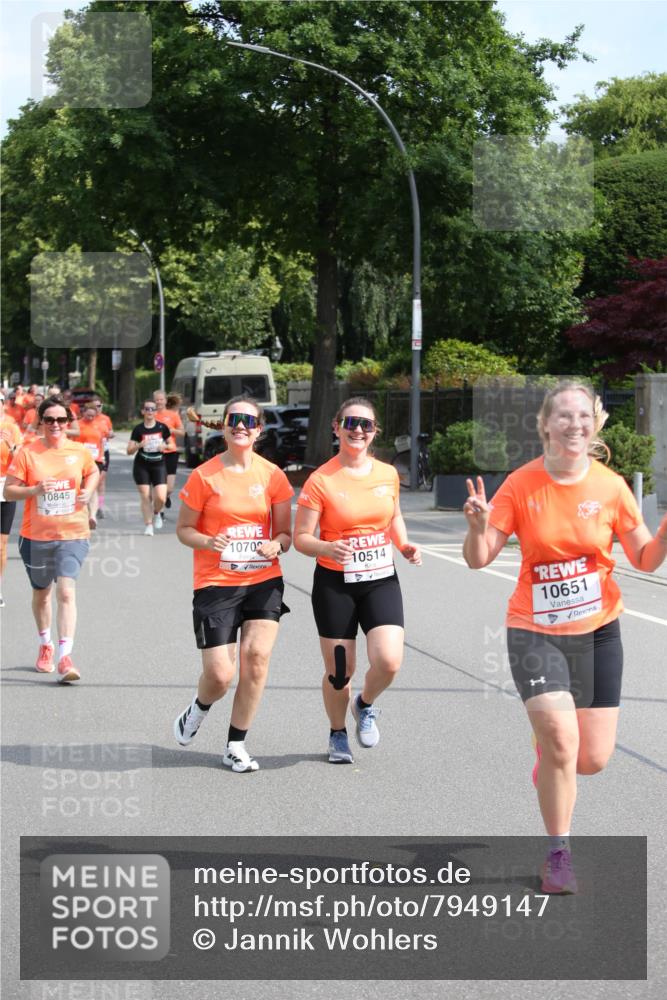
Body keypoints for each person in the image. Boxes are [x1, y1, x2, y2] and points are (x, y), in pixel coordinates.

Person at [462, 380, 667, 894]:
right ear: (545, 425)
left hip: (598, 631)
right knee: (561, 740)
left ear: (595, 423)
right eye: (564, 417)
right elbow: (479, 558)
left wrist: (664, 532)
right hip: (534, 631)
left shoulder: (612, 486)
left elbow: (643, 558)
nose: (574, 425)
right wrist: (476, 526)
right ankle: (559, 854)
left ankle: (550, 762)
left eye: (583, 417)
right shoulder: (522, 484)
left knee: (590, 759)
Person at [294, 397, 422, 764]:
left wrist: (405, 544)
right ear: (336, 427)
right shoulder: (321, 480)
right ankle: (337, 734)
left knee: (389, 661)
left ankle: (364, 704)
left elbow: (393, 516)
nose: (358, 430)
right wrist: (327, 547)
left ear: (374, 432)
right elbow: (301, 537)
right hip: (335, 583)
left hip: (380, 578)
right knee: (339, 671)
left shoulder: (386, 474)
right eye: (350, 423)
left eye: (366, 425)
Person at [173, 395, 293, 773]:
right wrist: (208, 541)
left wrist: (277, 543)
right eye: (234, 419)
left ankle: (236, 744)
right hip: (216, 582)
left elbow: (286, 534)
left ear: (258, 430)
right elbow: (183, 530)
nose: (241, 425)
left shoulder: (272, 475)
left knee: (256, 660)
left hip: (263, 578)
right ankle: (199, 706)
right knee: (220, 675)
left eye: (249, 420)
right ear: (224, 426)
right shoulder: (204, 475)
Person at [4, 396, 98, 681]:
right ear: (41, 422)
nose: (55, 424)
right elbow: (9, 492)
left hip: (73, 533)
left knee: (66, 592)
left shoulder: (78, 451)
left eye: (61, 420)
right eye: (50, 420)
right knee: (42, 595)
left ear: (68, 423)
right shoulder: (27, 454)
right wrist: (34, 490)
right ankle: (45, 644)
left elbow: (92, 472)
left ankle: (65, 656)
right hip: (36, 536)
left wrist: (88, 491)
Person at [127, 401, 171, 535]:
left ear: (156, 412)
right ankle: (148, 525)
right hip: (142, 464)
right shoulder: (138, 429)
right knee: (145, 496)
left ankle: (157, 513)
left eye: (153, 409)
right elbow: (129, 451)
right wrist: (139, 445)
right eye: (147, 409)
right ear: (143, 412)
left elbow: (172, 445)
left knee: (161, 497)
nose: (150, 411)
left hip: (159, 464)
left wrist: (165, 446)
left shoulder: (162, 428)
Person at [1, 393, 24, 608]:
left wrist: (11, 445)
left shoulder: (12, 427)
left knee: (1, 544)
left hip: (4, 485)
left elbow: (21, 457)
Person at [74, 403, 106, 528]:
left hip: (95, 460)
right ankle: (84, 514)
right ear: (83, 413)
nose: (91, 418)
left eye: (93, 416)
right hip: (79, 460)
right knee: (82, 488)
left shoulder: (101, 425)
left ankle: (92, 516)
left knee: (92, 487)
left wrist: (102, 456)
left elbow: (102, 443)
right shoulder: (78, 425)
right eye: (88, 416)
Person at [153, 389, 184, 514]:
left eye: (161, 399)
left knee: (169, 487)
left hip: (171, 452)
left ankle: (166, 496)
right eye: (157, 400)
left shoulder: (173, 415)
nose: (159, 402)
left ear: (165, 401)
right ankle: (160, 512)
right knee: (158, 484)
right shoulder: (151, 415)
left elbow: (182, 432)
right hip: (155, 453)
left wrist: (171, 430)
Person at [90, 396, 114, 518]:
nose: (97, 408)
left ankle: (100, 507)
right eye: (94, 406)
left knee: (100, 480)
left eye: (99, 406)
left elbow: (111, 432)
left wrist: (111, 434)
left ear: (102, 406)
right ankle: (90, 506)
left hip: (103, 452)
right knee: (90, 481)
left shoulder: (106, 419)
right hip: (89, 454)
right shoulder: (87, 419)